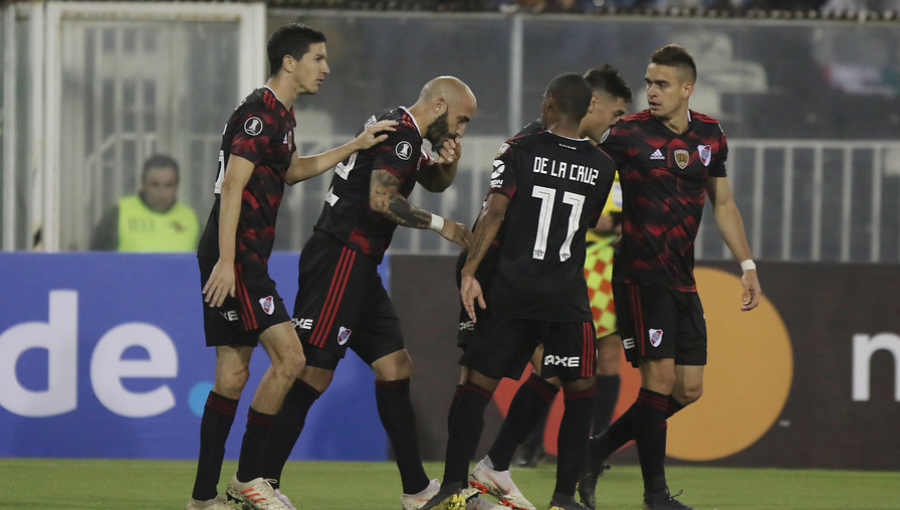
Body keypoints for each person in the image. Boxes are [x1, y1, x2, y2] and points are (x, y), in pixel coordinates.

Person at [187, 23, 396, 510]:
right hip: (236, 255)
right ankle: (248, 480)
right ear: (289, 62)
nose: (326, 67)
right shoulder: (260, 113)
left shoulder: (282, 116)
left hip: (241, 255)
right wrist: (225, 261)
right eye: (318, 58)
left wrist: (355, 145)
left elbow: (292, 170)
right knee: (292, 358)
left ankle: (202, 501)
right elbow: (232, 186)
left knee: (232, 376)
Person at [259, 76, 477, 510]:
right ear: (438, 106)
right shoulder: (400, 136)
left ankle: (416, 491)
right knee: (313, 372)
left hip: (360, 263)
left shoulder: (405, 133)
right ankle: (261, 479)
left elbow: (432, 182)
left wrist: (449, 161)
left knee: (396, 366)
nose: (461, 130)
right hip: (341, 255)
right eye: (461, 120)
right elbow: (381, 200)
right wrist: (443, 227)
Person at [578, 44, 762, 510]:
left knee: (689, 389)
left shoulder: (711, 136)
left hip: (683, 279)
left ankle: (596, 448)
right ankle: (655, 497)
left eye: (661, 84)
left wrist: (747, 265)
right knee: (657, 381)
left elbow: (723, 204)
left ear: (687, 89)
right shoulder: (626, 134)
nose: (652, 92)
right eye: (648, 83)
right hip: (639, 277)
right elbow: (581, 162)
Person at [424, 73, 617, 510]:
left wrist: (471, 272)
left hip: (512, 290)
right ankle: (564, 499)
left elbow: (494, 212)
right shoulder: (604, 166)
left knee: (475, 386)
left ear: (549, 104)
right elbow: (585, 223)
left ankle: (454, 490)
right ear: (587, 110)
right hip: (566, 296)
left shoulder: (517, 150)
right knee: (581, 388)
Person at [505, 65, 633, 470]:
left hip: (601, 264)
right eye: (616, 114)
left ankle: (591, 448)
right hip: (559, 266)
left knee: (600, 358)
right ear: (592, 103)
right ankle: (521, 447)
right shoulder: (539, 140)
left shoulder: (608, 152)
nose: (619, 124)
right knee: (554, 363)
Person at [90, 154, 199, 252]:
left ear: (177, 186)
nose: (161, 192)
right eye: (155, 185)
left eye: (168, 185)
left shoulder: (192, 219)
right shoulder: (118, 215)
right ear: (143, 184)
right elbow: (97, 261)